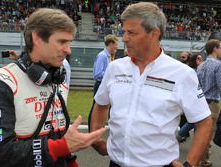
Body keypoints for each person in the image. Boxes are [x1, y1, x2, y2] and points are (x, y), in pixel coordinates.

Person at [0, 8, 106, 167]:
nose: (68, 50)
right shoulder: (0, 83)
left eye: (69, 42)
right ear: (37, 38)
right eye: (62, 42)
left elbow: (58, 140)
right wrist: (62, 147)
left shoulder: (57, 79)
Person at [90, 2, 213, 167]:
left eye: (131, 32)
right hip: (116, 164)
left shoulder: (182, 73)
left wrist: (190, 164)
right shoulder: (115, 68)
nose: (124, 38)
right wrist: (95, 137)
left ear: (154, 34)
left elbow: (204, 122)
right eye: (124, 32)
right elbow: (101, 104)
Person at [197, 39, 221, 167]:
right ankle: (203, 161)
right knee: (208, 134)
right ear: (215, 49)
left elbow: (197, 86)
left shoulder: (201, 65)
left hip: (201, 102)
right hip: (212, 103)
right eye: (220, 47)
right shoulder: (218, 65)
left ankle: (200, 158)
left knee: (201, 132)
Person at [88, 34, 118, 129]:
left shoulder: (109, 56)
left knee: (108, 107)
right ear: (110, 44)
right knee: (95, 107)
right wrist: (111, 73)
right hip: (100, 84)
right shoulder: (103, 56)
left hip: (105, 84)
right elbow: (97, 74)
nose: (117, 47)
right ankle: (91, 130)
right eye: (116, 44)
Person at [177, 54, 204, 143]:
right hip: (192, 98)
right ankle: (180, 135)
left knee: (193, 120)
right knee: (194, 120)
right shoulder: (192, 71)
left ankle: (181, 135)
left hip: (194, 98)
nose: (201, 60)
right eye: (199, 59)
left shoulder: (197, 70)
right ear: (194, 60)